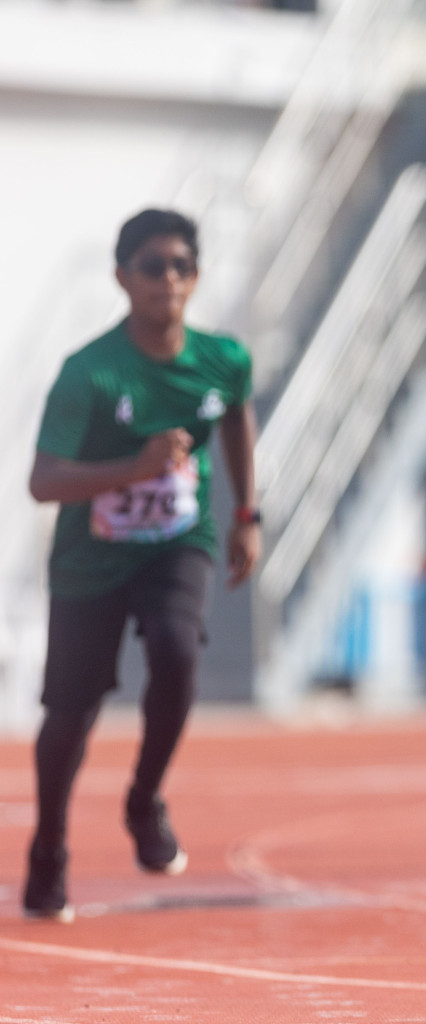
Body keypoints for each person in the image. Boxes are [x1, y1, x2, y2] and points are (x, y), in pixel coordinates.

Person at [23, 209, 261, 922]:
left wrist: (248, 514)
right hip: (90, 560)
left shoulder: (224, 360)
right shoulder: (89, 373)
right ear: (122, 277)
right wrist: (133, 466)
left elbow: (238, 420)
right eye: (152, 266)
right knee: (70, 716)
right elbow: (42, 482)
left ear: (197, 276)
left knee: (176, 648)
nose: (168, 279)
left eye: (181, 265)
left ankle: (143, 798)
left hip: (176, 543)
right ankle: (49, 851)